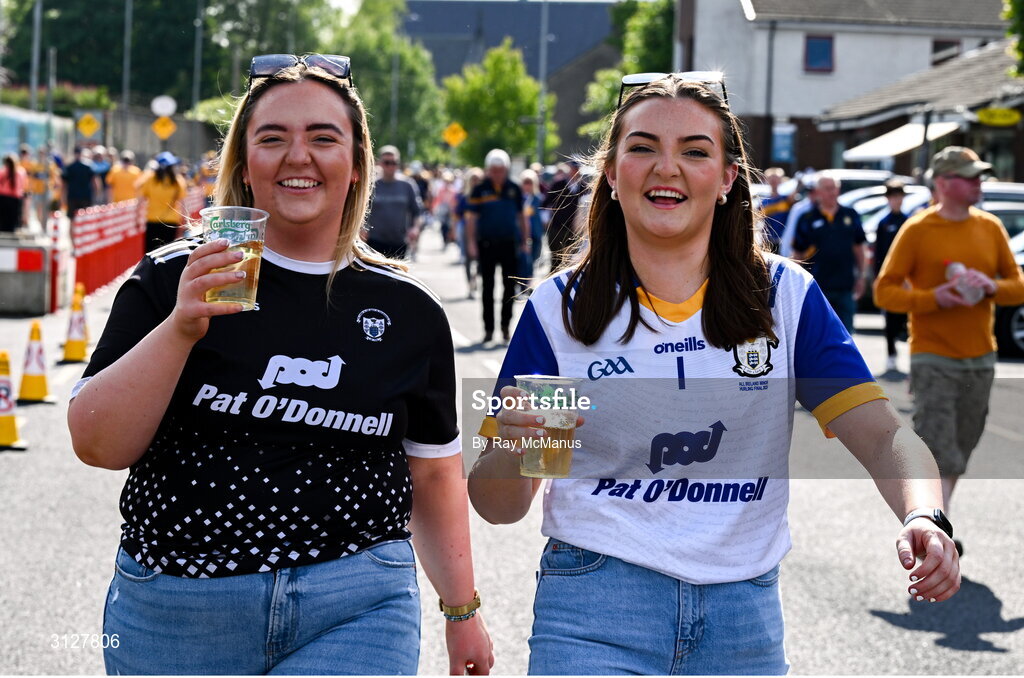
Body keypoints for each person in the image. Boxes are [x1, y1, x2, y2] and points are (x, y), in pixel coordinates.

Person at [467, 73, 960, 675]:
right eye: (642, 147)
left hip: (742, 618)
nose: (666, 168)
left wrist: (924, 516)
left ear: (728, 179)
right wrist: (519, 452)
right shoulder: (563, 311)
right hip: (595, 606)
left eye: (695, 151)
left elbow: (885, 437)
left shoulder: (783, 298)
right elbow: (499, 506)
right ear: (613, 175)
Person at [67, 53, 492, 675]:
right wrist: (182, 327)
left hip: (358, 602)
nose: (299, 155)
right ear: (243, 163)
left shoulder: (407, 309)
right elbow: (98, 444)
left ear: (355, 166)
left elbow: (433, 476)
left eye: (324, 138)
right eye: (273, 138)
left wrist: (462, 610)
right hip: (178, 603)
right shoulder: (169, 280)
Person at [874, 146, 1024, 557]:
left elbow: (1017, 284)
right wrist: (934, 297)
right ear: (943, 184)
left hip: (981, 355)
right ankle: (935, 526)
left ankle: (940, 513)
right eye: (969, 176)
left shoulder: (990, 227)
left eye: (979, 176)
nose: (978, 182)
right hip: (932, 355)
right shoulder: (919, 230)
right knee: (938, 442)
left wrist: (992, 286)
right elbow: (884, 291)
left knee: (963, 442)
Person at [465, 148, 530, 344]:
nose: (497, 173)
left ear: (507, 169)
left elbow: (522, 217)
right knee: (487, 287)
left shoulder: (514, 188)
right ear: (488, 169)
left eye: (500, 170)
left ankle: (505, 326)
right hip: (486, 244)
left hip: (509, 243)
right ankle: (488, 329)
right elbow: (471, 219)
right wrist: (470, 242)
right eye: (493, 170)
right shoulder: (479, 189)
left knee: (509, 287)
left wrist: (526, 240)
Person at [791, 171, 867, 333]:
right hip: (817, 287)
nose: (832, 192)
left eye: (834, 188)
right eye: (827, 188)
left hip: (845, 286)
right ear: (818, 192)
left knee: (847, 336)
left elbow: (859, 248)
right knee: (818, 334)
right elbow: (797, 254)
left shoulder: (850, 215)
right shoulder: (807, 218)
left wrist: (861, 276)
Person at [872, 179, 909, 373]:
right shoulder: (883, 223)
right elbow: (879, 255)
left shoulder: (907, 221)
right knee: (890, 320)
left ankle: (905, 353)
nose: (897, 201)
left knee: (905, 319)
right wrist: (878, 278)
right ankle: (891, 354)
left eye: (900, 197)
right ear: (888, 199)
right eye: (893, 197)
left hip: (906, 280)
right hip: (889, 279)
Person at [364, 145, 422, 259]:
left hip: (399, 242)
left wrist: (415, 228)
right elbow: (360, 212)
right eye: (387, 162)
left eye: (394, 162)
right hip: (375, 242)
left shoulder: (407, 185)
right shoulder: (371, 185)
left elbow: (417, 212)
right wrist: (361, 228)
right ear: (380, 163)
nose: (390, 166)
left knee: (395, 276)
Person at [136, 151, 188, 252]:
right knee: (168, 254)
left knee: (150, 253)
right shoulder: (178, 181)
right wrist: (185, 222)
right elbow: (183, 204)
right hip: (171, 222)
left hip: (152, 221)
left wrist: (137, 218)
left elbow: (140, 200)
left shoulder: (149, 178)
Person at [541, 160, 585, 273]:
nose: (574, 171)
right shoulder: (558, 184)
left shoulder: (584, 187)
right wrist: (546, 219)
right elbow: (545, 203)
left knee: (571, 263)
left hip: (574, 231)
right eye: (572, 169)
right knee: (555, 261)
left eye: (576, 169)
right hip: (557, 228)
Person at [454, 167, 483, 299]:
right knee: (467, 259)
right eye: (473, 179)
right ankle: (469, 286)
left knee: (480, 260)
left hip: (482, 232)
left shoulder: (485, 197)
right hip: (467, 231)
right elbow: (457, 214)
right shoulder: (464, 197)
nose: (476, 182)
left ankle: (475, 278)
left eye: (478, 179)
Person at [519, 168, 545, 282]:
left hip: (535, 232)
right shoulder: (518, 199)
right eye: (525, 183)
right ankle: (524, 282)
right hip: (522, 234)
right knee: (524, 259)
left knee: (534, 258)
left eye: (530, 183)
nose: (527, 186)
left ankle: (529, 280)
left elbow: (543, 216)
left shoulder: (538, 199)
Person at [759, 166, 792, 252]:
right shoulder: (763, 202)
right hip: (767, 241)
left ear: (781, 180)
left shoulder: (787, 199)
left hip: (784, 240)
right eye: (771, 178)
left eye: (776, 179)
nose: (774, 181)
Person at [62, 146, 99, 220]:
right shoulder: (89, 166)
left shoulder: (69, 167)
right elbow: (95, 182)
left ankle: (72, 232)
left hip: (72, 196)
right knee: (85, 219)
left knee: (72, 219)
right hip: (85, 196)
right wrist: (96, 196)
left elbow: (64, 185)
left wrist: (63, 198)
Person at [0, 153, 28, 232]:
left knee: (3, 220)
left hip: (2, 198)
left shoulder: (2, 171)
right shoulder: (21, 172)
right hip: (15, 199)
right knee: (12, 221)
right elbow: (23, 186)